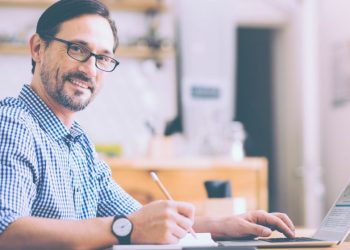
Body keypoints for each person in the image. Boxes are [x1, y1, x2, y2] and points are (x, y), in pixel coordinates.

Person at [0, 0, 295, 249]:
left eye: (103, 57)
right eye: (77, 48)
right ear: (38, 48)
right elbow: (5, 231)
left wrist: (223, 225)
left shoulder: (78, 144)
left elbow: (140, 219)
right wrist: (126, 228)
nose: (90, 68)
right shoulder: (12, 124)